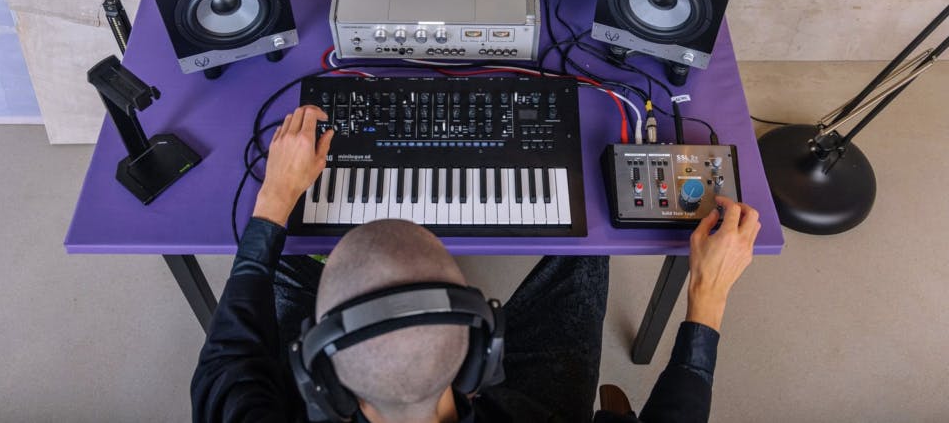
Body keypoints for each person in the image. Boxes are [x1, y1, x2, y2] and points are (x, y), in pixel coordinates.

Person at [192, 105, 761, 422]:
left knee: (282, 265)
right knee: (587, 252)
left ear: (316, 373)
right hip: (536, 401)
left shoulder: (242, 415)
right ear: (482, 354)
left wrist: (275, 200)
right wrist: (707, 294)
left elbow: (228, 353)